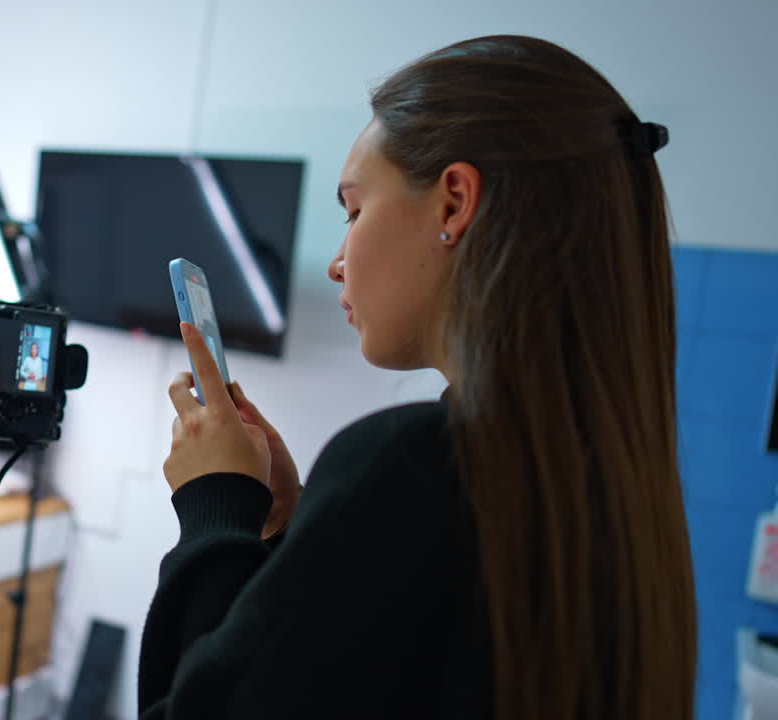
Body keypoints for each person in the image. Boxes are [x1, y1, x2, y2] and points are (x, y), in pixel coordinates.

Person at [138, 35, 694, 720]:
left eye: (354, 211)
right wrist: (299, 526)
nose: (338, 263)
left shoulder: (410, 462)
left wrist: (215, 504)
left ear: (455, 202)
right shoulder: (608, 476)